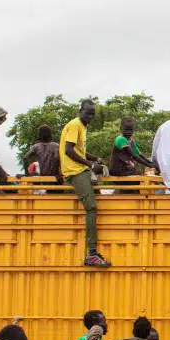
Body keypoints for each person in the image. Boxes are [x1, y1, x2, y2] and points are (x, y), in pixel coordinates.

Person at [60, 99, 110, 267]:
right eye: (88, 113)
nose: (90, 116)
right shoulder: (75, 125)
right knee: (92, 207)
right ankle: (91, 253)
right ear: (80, 110)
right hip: (75, 171)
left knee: (99, 197)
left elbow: (78, 150)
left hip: (80, 169)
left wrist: (94, 158)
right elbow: (68, 151)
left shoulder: (82, 127)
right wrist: (91, 165)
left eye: (93, 114)